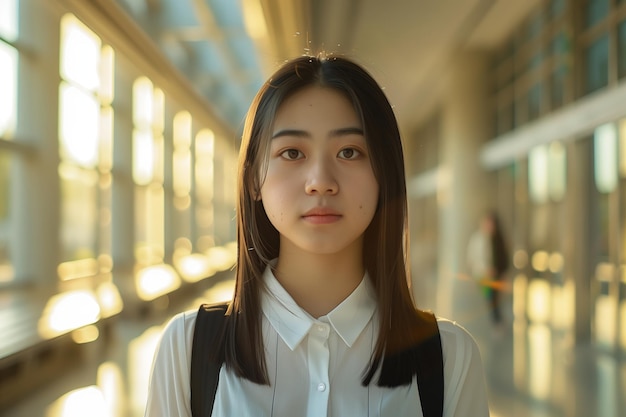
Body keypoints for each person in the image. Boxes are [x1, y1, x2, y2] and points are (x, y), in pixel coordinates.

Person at [144, 55, 490, 416]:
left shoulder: (450, 358)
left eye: (349, 152)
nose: (321, 180)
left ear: (383, 175)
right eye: (292, 152)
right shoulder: (187, 349)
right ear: (252, 179)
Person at [466, 210, 510, 325]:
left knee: (494, 300)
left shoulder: (497, 240)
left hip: (494, 277)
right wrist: (484, 270)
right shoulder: (477, 239)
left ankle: (496, 321)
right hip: (482, 277)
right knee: (488, 299)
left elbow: (503, 259)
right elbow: (472, 259)